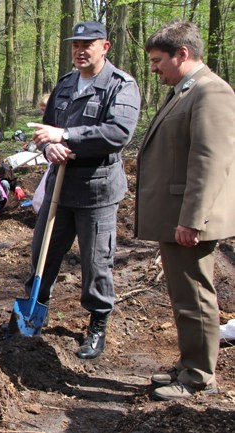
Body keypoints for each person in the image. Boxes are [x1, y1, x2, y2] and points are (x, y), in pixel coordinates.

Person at [20, 21, 141, 359]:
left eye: (89, 43)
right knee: (42, 253)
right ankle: (33, 312)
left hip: (97, 190)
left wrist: (68, 137)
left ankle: (97, 325)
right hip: (60, 186)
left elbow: (118, 133)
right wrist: (49, 148)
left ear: (106, 46)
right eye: (76, 44)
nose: (80, 50)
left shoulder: (121, 86)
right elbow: (45, 133)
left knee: (96, 262)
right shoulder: (65, 84)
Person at [136, 21, 235, 401]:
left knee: (195, 298)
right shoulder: (184, 92)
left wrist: (193, 218)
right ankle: (189, 363)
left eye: (158, 60)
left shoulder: (211, 93)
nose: (154, 68)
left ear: (183, 54)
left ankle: (198, 377)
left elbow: (208, 163)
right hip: (176, 217)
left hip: (190, 218)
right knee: (183, 298)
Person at [32, 93, 51, 214]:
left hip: (60, 166)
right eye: (41, 110)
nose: (43, 114)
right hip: (51, 163)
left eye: (45, 110)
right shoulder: (47, 123)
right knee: (39, 201)